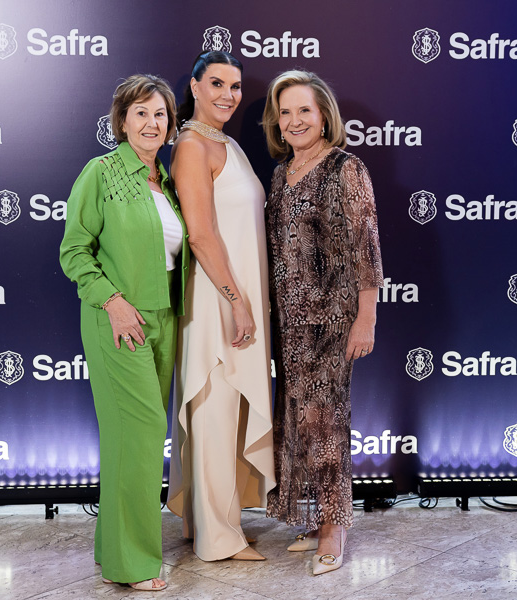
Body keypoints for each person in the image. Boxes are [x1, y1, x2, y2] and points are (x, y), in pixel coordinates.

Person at [60, 74, 187, 591]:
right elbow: (74, 250)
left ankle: (111, 547)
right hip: (118, 320)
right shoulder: (102, 172)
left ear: (170, 123)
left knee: (131, 439)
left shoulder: (169, 181)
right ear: (122, 120)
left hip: (165, 319)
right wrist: (112, 302)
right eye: (141, 113)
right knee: (139, 436)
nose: (151, 123)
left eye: (160, 114)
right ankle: (133, 564)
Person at [261, 70, 383, 576]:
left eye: (304, 110)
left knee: (326, 421)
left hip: (332, 320)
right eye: (285, 112)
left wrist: (365, 318)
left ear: (324, 115)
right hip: (289, 324)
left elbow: (366, 247)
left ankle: (334, 528)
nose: (294, 121)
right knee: (298, 420)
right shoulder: (280, 174)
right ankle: (314, 519)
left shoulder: (345, 168)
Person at [166, 51, 275, 562]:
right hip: (217, 300)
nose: (228, 95)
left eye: (235, 86)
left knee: (225, 412)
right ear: (194, 86)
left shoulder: (225, 142)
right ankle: (217, 537)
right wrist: (237, 302)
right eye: (216, 83)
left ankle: (207, 522)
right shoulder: (191, 146)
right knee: (214, 409)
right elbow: (202, 236)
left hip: (236, 297)